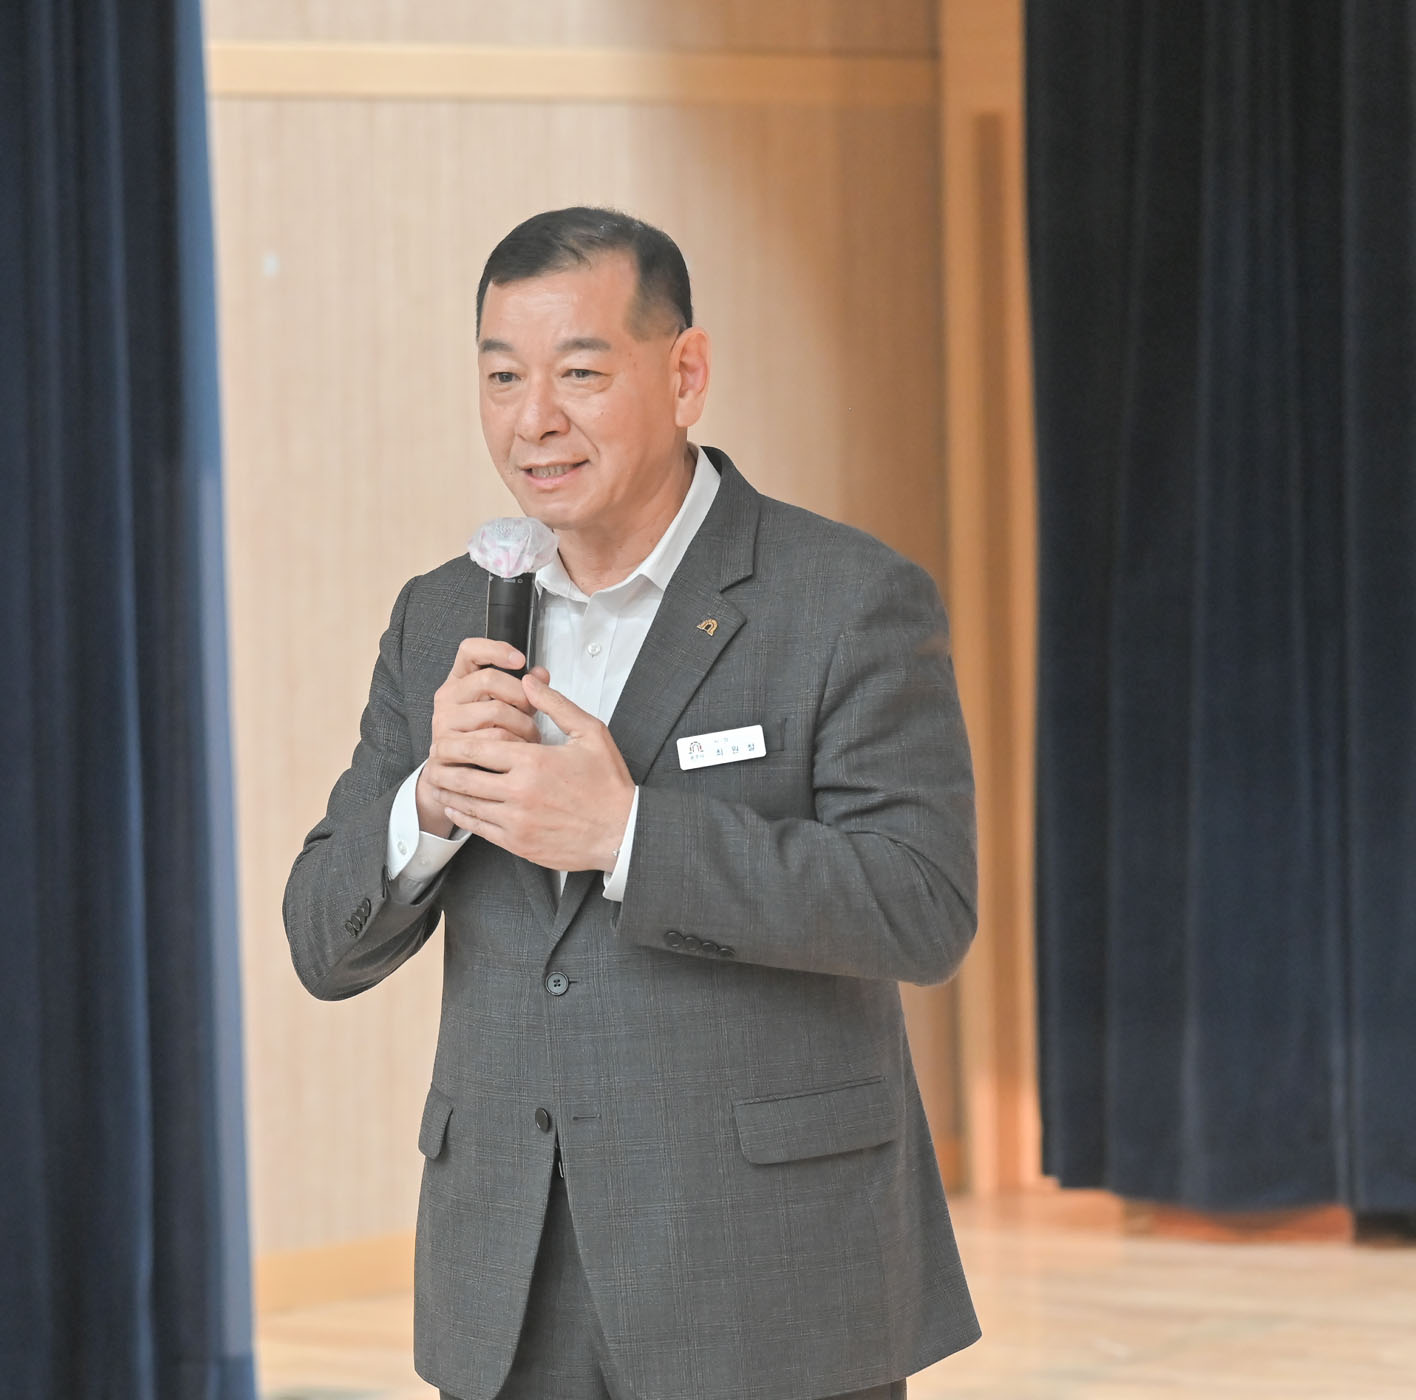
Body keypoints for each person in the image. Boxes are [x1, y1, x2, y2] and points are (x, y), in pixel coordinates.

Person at [284, 207, 980, 1400]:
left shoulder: (846, 598)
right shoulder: (441, 613)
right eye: (501, 377)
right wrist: (429, 805)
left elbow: (922, 904)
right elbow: (319, 940)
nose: (532, 420)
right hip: (512, 1285)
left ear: (686, 373)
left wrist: (630, 835)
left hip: (768, 1276)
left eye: (580, 373)